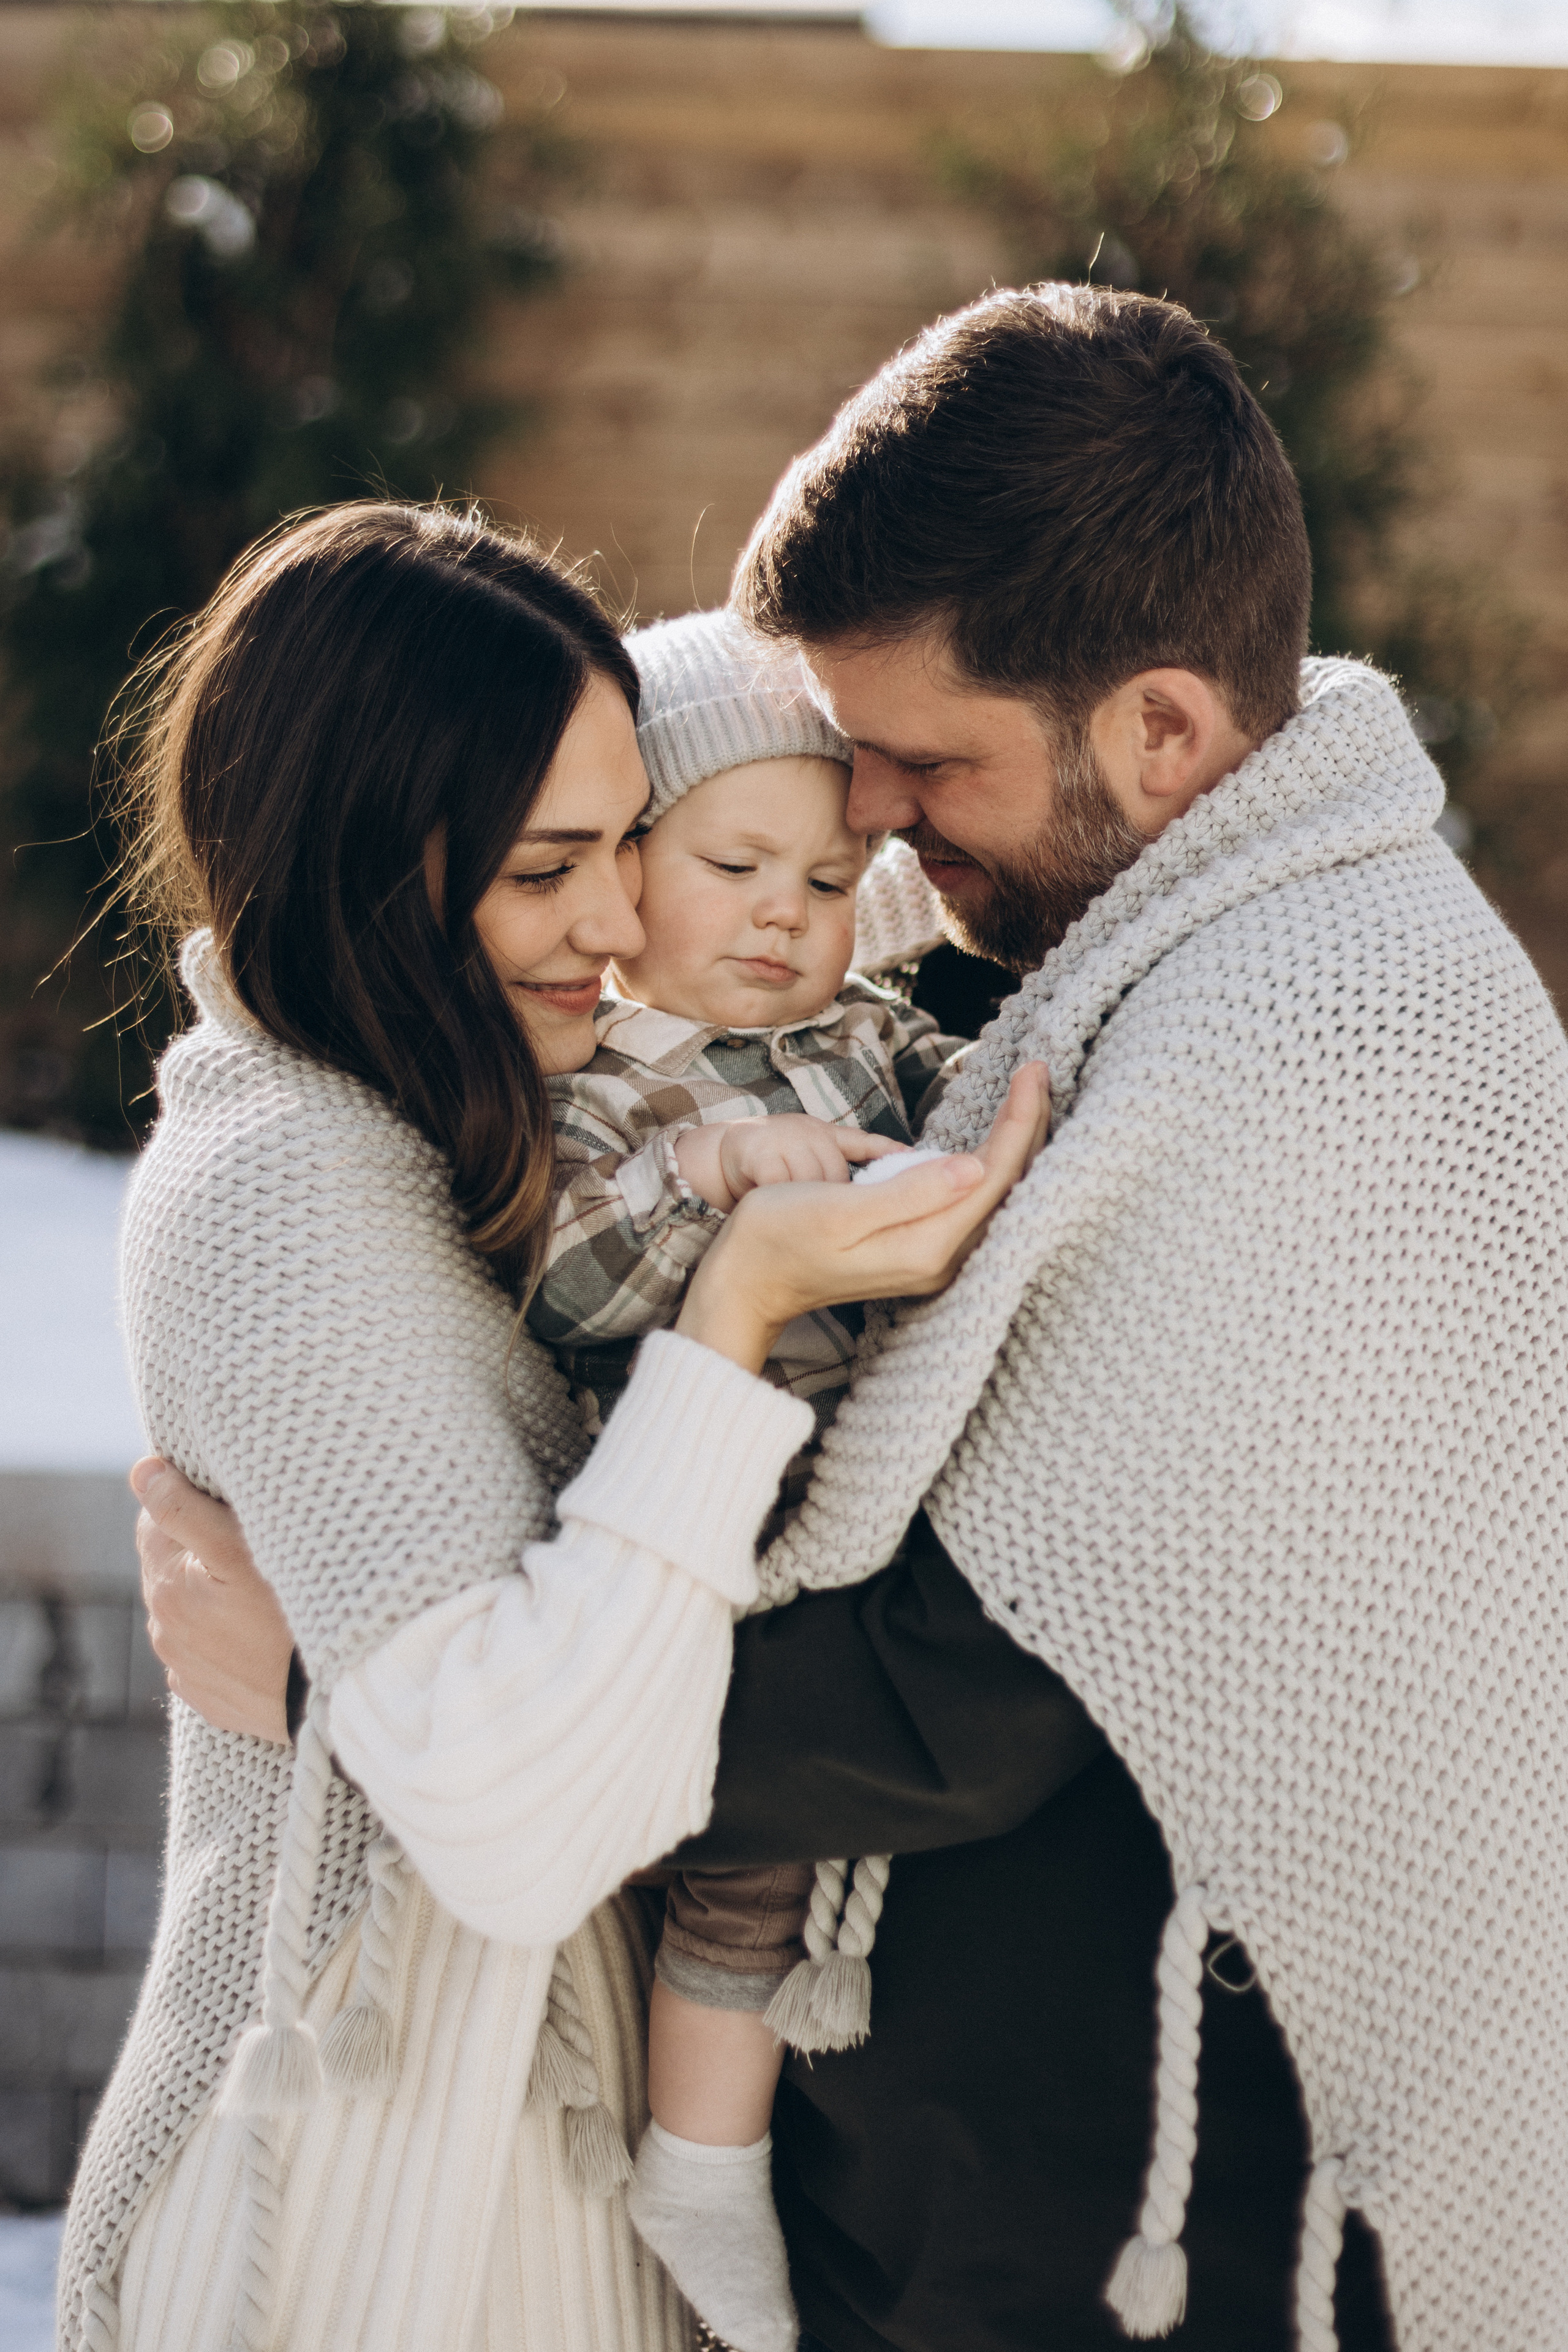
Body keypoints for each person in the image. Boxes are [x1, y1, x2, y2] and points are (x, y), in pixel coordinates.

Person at [133, 282, 1568, 2352]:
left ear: (1160, 729)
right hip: (984, 2203)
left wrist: (359, 1711)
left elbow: (947, 1697)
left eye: (920, 763)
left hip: (1139, 2232)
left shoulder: (1311, 1033)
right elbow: (714, 858)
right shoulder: (1154, 917)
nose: (873, 826)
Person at [58, 499, 1046, 2352]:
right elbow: (516, 1817)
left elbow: (817, 861)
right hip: (373, 2215)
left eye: (633, 848)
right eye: (549, 866)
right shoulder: (295, 1185)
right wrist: (742, 1301)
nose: (621, 925)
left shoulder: (480, 1098)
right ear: (366, 864)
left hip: (525, 2169)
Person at [527, 606, 967, 2352]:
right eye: (735, 864)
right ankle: (699, 2164)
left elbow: (997, 1110)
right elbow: (564, 1281)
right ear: (630, 871)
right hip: (708, 1560)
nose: (788, 910)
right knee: (745, 1877)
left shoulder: (878, 1042)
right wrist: (714, 1170)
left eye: (835, 875)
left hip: (881, 1538)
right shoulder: (601, 1089)